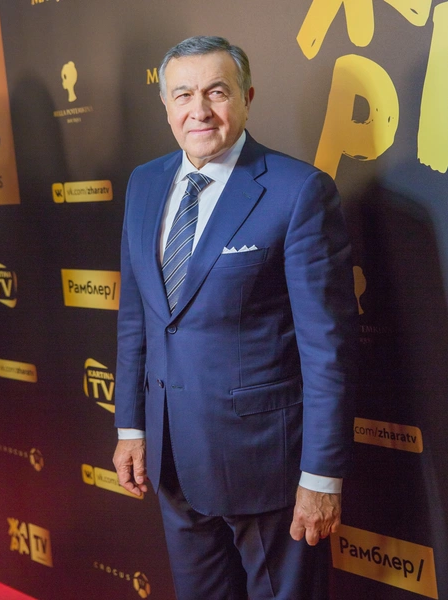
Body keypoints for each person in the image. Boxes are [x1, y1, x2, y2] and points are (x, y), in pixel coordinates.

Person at [113, 35, 357, 600]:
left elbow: (328, 349)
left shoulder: (298, 191)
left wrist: (321, 476)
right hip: (173, 462)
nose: (199, 110)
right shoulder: (144, 184)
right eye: (183, 94)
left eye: (216, 92)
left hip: (266, 469)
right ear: (166, 104)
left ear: (246, 98)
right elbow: (137, 318)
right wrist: (132, 428)